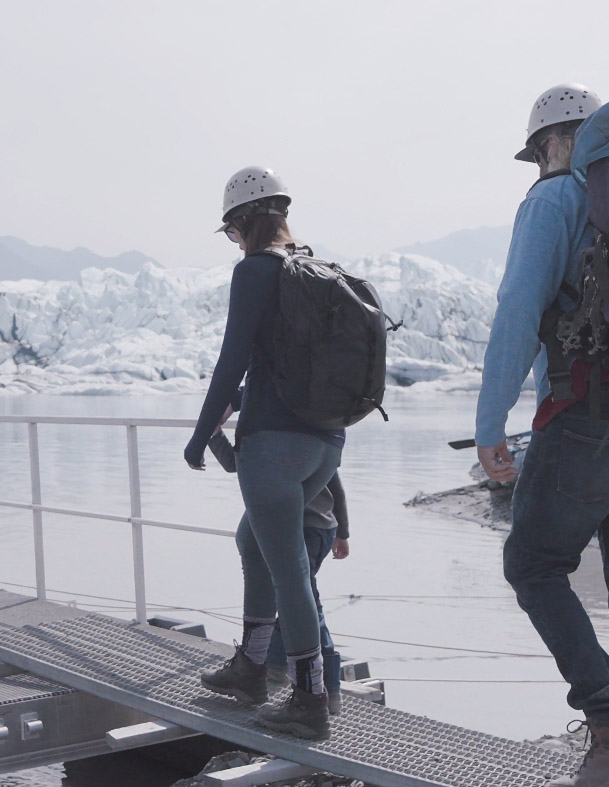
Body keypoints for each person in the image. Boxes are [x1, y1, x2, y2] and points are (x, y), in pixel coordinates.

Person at [473, 85, 609, 787]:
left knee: (531, 564)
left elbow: (519, 310)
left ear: (548, 144)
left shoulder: (556, 198)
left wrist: (489, 422)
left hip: (588, 422)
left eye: (538, 154)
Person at [184, 166, 343, 740]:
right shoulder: (316, 270)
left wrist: (201, 434)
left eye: (232, 230)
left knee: (289, 570)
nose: (235, 240)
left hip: (274, 445)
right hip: (325, 442)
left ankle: (309, 701)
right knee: (253, 540)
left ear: (245, 221)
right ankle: (251, 667)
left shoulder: (256, 271)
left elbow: (234, 361)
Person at [207, 428, 348, 715]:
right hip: (318, 527)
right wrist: (342, 530)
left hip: (305, 528)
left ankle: (327, 689)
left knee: (300, 597)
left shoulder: (272, 436)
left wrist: (211, 434)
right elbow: (337, 487)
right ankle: (274, 665)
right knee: (294, 596)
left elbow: (235, 463)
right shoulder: (309, 436)